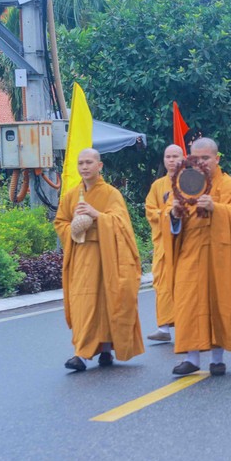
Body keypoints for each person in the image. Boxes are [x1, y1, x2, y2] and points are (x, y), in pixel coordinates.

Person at [170, 138, 231, 377]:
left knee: (219, 302)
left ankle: (217, 359)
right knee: (188, 303)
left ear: (217, 159)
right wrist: (174, 215)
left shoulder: (228, 186)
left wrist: (217, 208)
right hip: (191, 251)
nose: (201, 164)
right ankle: (191, 357)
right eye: (196, 159)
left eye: (206, 158)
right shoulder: (184, 182)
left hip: (220, 253)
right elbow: (172, 216)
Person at [54, 149, 144, 372]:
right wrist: (74, 227)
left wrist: (96, 215)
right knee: (83, 302)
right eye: (81, 163)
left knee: (107, 302)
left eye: (89, 162)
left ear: (99, 166)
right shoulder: (71, 195)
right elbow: (60, 222)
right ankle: (81, 354)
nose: (84, 167)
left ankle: (105, 348)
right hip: (82, 254)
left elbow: (121, 225)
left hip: (108, 256)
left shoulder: (112, 194)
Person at [145, 144, 184, 342]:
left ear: (183, 158)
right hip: (163, 243)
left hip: (185, 243)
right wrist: (165, 214)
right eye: (168, 156)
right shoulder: (158, 185)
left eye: (175, 156)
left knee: (185, 284)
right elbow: (150, 210)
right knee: (161, 282)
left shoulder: (190, 181)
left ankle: (187, 326)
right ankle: (164, 327)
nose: (171, 160)